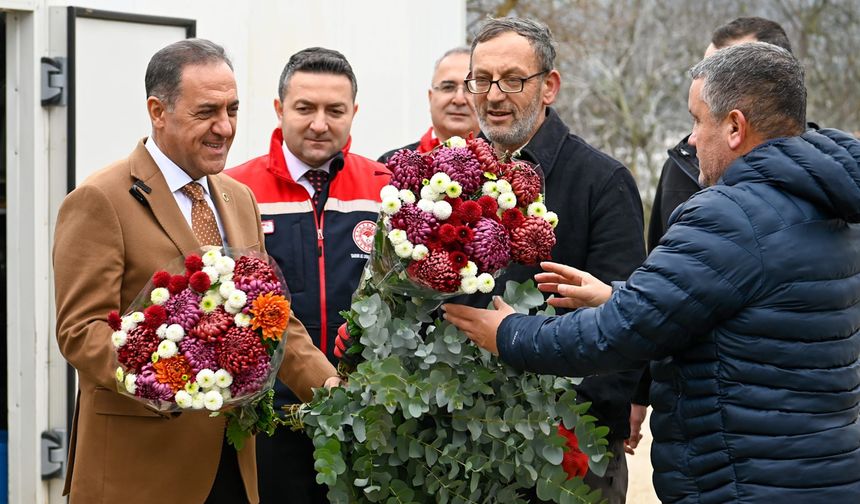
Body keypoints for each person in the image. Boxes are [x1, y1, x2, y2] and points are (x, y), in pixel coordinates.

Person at [444, 42, 860, 502]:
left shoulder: (731, 215)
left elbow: (621, 334)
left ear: (735, 127)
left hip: (747, 481)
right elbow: (742, 311)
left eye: (697, 121)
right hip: (816, 473)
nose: (691, 140)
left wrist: (510, 334)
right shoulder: (822, 204)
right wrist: (619, 295)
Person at [53, 39, 339, 504]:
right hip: (140, 471)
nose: (224, 127)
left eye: (232, 110)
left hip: (233, 463)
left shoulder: (238, 198)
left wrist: (330, 389)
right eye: (206, 112)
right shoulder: (100, 198)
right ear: (157, 111)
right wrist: (176, 376)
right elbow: (81, 332)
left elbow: (272, 318)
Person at [463, 17, 646, 503]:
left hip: (567, 454)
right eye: (481, 80)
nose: (494, 95)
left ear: (550, 87)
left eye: (513, 80)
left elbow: (626, 326)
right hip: (462, 448)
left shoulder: (601, 182)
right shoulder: (449, 176)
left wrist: (569, 429)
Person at [631, 16, 809, 455]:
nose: (714, 79)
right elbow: (657, 278)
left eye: (731, 66)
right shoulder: (683, 164)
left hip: (774, 420)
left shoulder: (821, 183)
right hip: (698, 423)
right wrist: (639, 390)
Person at [227, 47, 389, 504]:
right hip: (266, 419)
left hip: (365, 413)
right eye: (305, 108)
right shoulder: (235, 190)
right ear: (279, 109)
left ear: (354, 112)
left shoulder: (386, 188)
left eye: (335, 110)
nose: (320, 123)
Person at [378, 46, 479, 163]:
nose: (459, 99)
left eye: (470, 88)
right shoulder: (392, 164)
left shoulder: (497, 163)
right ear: (430, 97)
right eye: (448, 87)